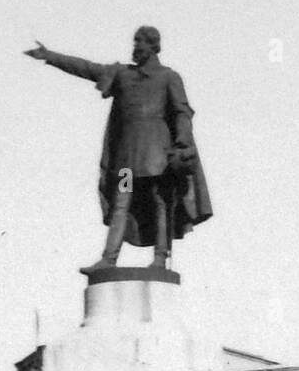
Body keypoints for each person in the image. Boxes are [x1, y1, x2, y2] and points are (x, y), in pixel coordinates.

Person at [26, 27, 212, 271]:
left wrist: (183, 144)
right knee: (121, 203)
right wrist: (49, 56)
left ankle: (159, 259)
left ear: (153, 46)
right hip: (127, 161)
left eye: (139, 42)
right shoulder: (122, 74)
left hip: (158, 158)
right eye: (135, 42)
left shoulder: (169, 77)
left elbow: (181, 112)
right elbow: (87, 68)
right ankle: (109, 259)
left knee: (160, 204)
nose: (135, 47)